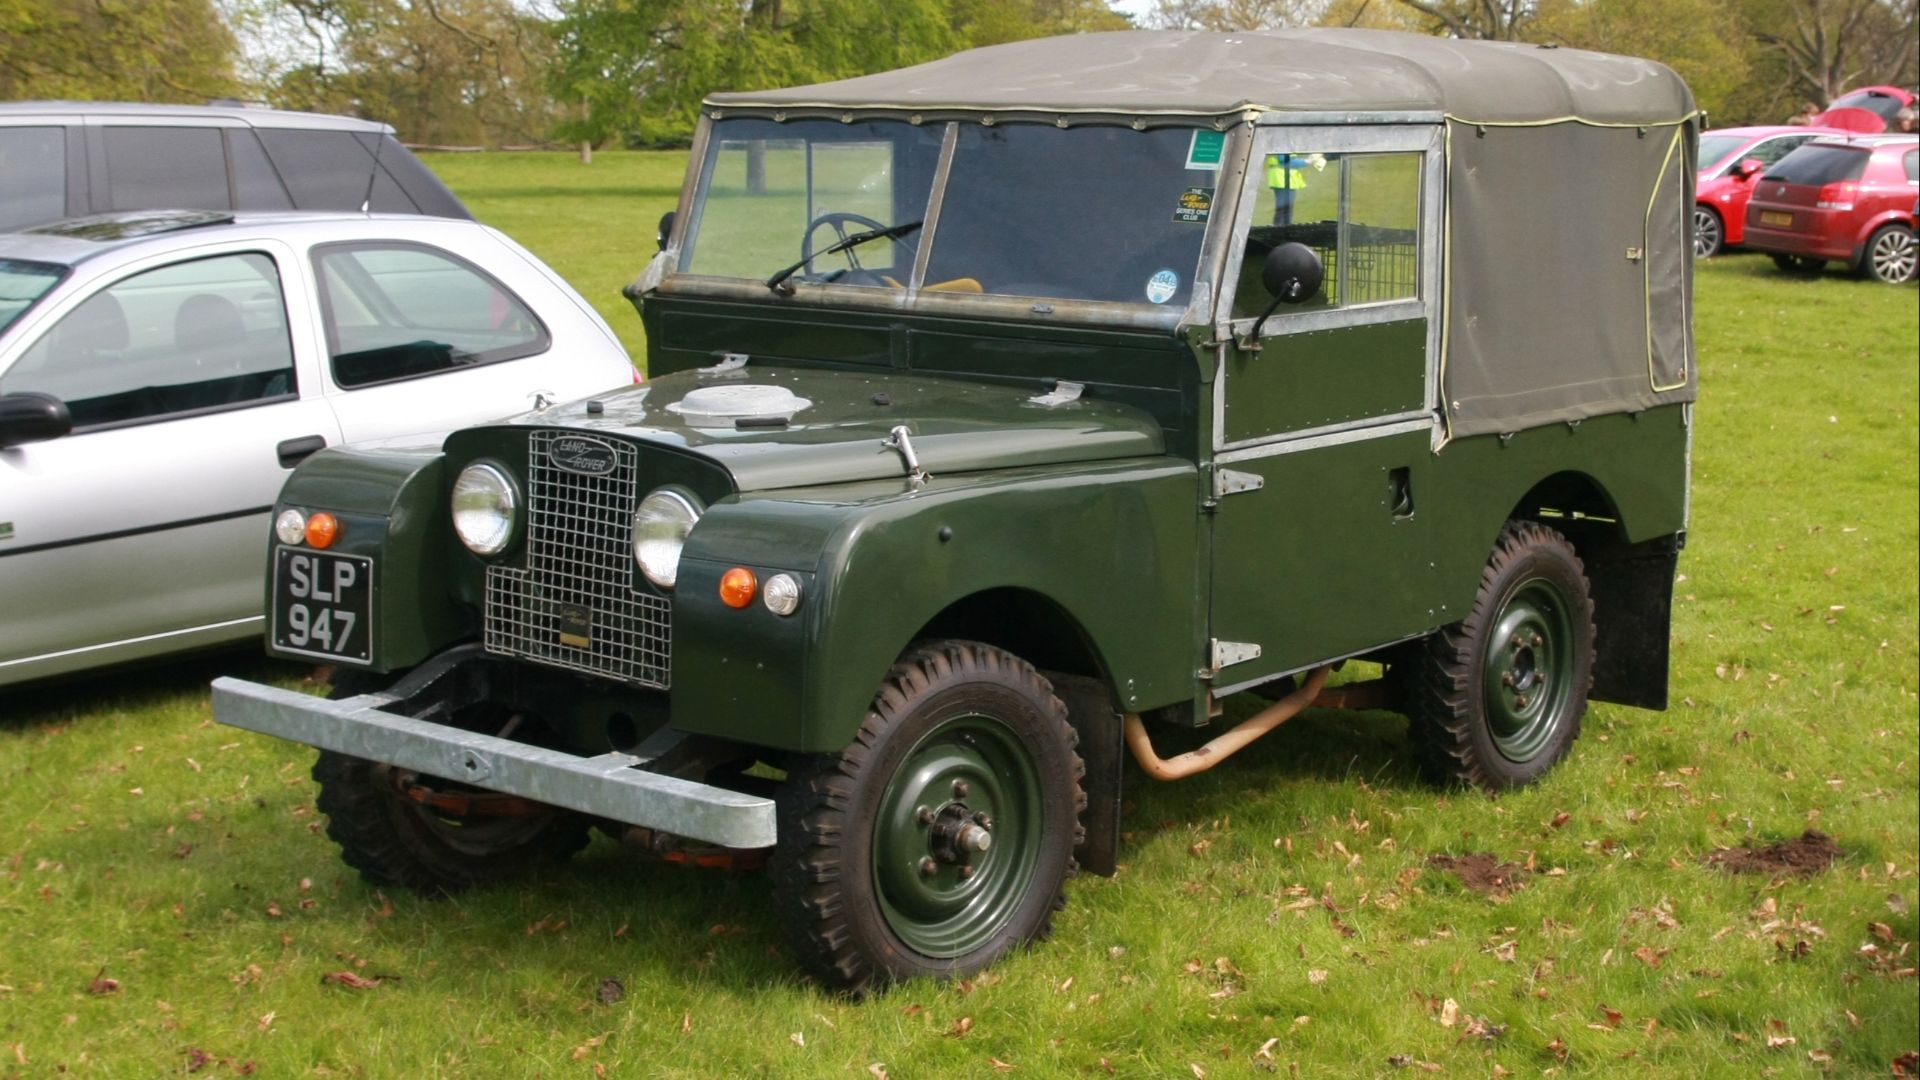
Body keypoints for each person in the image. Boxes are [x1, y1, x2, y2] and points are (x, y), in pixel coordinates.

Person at [1266, 152, 1326, 226]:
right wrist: (1306, 162)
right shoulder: (1283, 143)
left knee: (1285, 210)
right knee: (1284, 210)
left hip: (1284, 179)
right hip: (1282, 178)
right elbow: (1285, 161)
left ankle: (1282, 230)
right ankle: (1280, 231)